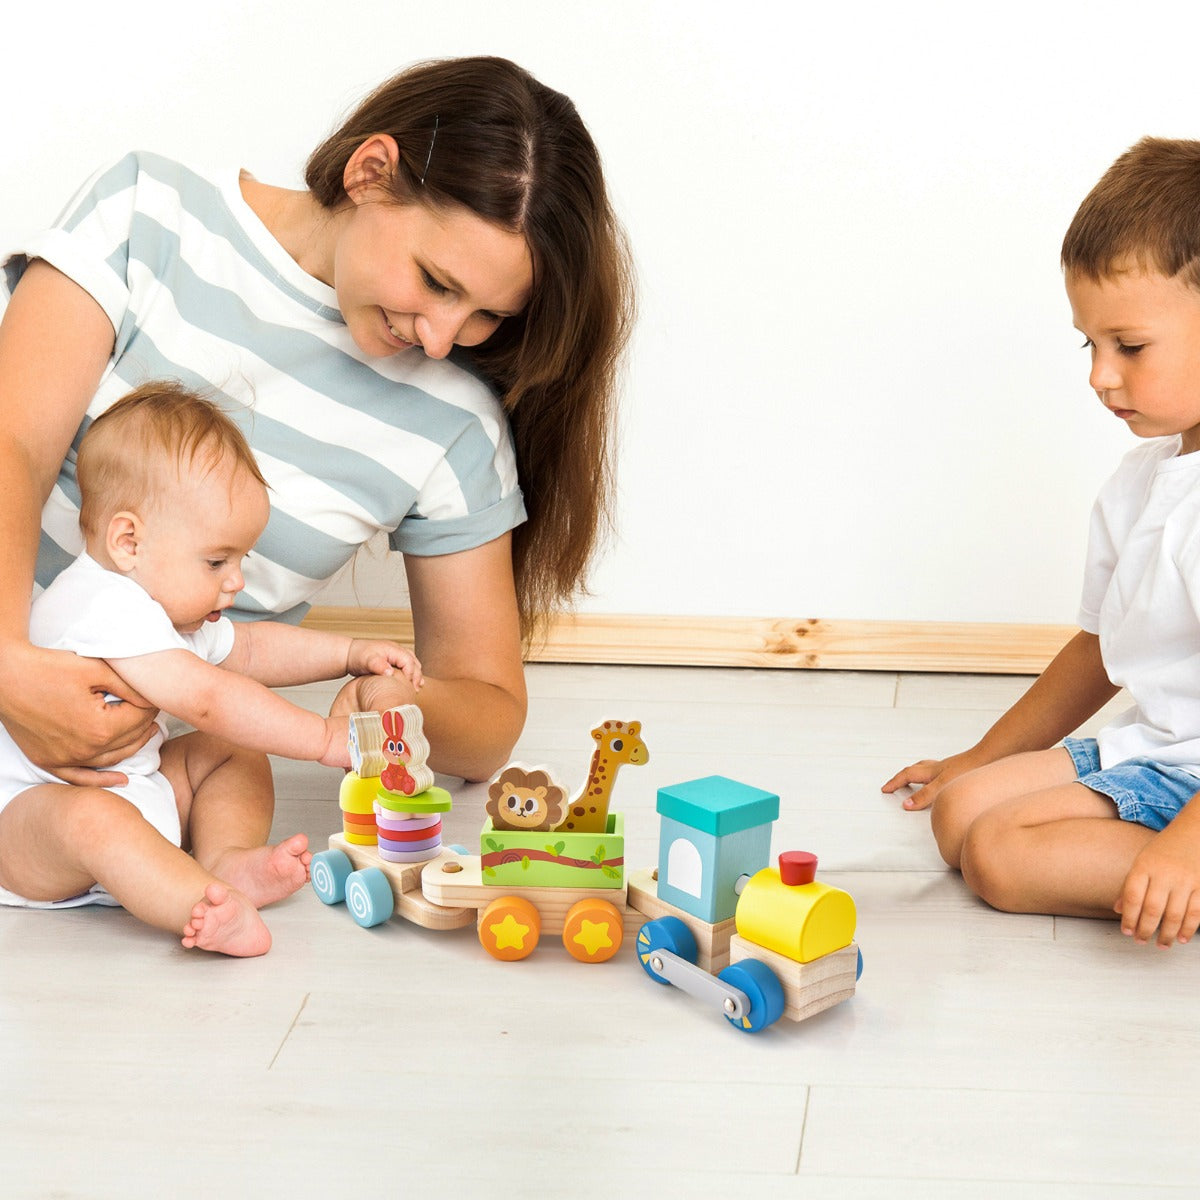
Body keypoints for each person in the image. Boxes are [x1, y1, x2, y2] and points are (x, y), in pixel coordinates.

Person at [0, 55, 634, 790]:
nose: (440, 337)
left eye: (487, 314)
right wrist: (11, 664)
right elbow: (13, 446)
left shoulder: (456, 425)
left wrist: (403, 704)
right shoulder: (148, 215)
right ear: (369, 172)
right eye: (437, 282)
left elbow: (488, 714)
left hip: (107, 776)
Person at [883, 137, 1200, 950]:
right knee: (962, 811)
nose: (1099, 374)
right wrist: (983, 755)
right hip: (1168, 752)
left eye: (1129, 346)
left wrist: (1184, 846)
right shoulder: (1143, 479)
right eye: (1089, 345)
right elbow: (1099, 648)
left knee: (998, 855)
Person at [0, 381, 424, 956]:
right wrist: (323, 738)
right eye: (217, 560)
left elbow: (249, 651)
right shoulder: (101, 602)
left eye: (241, 559)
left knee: (234, 751)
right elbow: (210, 698)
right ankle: (200, 902)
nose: (237, 580)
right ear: (129, 541)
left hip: (136, 788)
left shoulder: (171, 613)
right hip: (30, 826)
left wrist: (348, 653)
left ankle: (224, 861)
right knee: (95, 822)